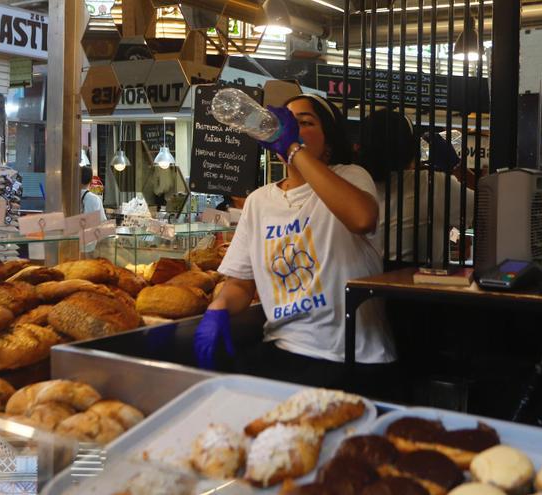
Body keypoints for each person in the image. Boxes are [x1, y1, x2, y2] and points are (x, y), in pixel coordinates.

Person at [194, 94, 397, 394]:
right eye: (285, 123)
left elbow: (362, 218)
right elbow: (241, 284)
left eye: (304, 123)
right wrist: (219, 307)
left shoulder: (351, 176)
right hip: (284, 349)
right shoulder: (258, 201)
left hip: (352, 356)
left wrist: (293, 147)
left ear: (329, 139)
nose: (291, 130)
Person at [360, 109, 475, 266]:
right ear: (412, 151)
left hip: (364, 280)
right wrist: (457, 166)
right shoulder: (431, 184)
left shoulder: (352, 185)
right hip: (418, 281)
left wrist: (454, 235)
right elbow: (489, 202)